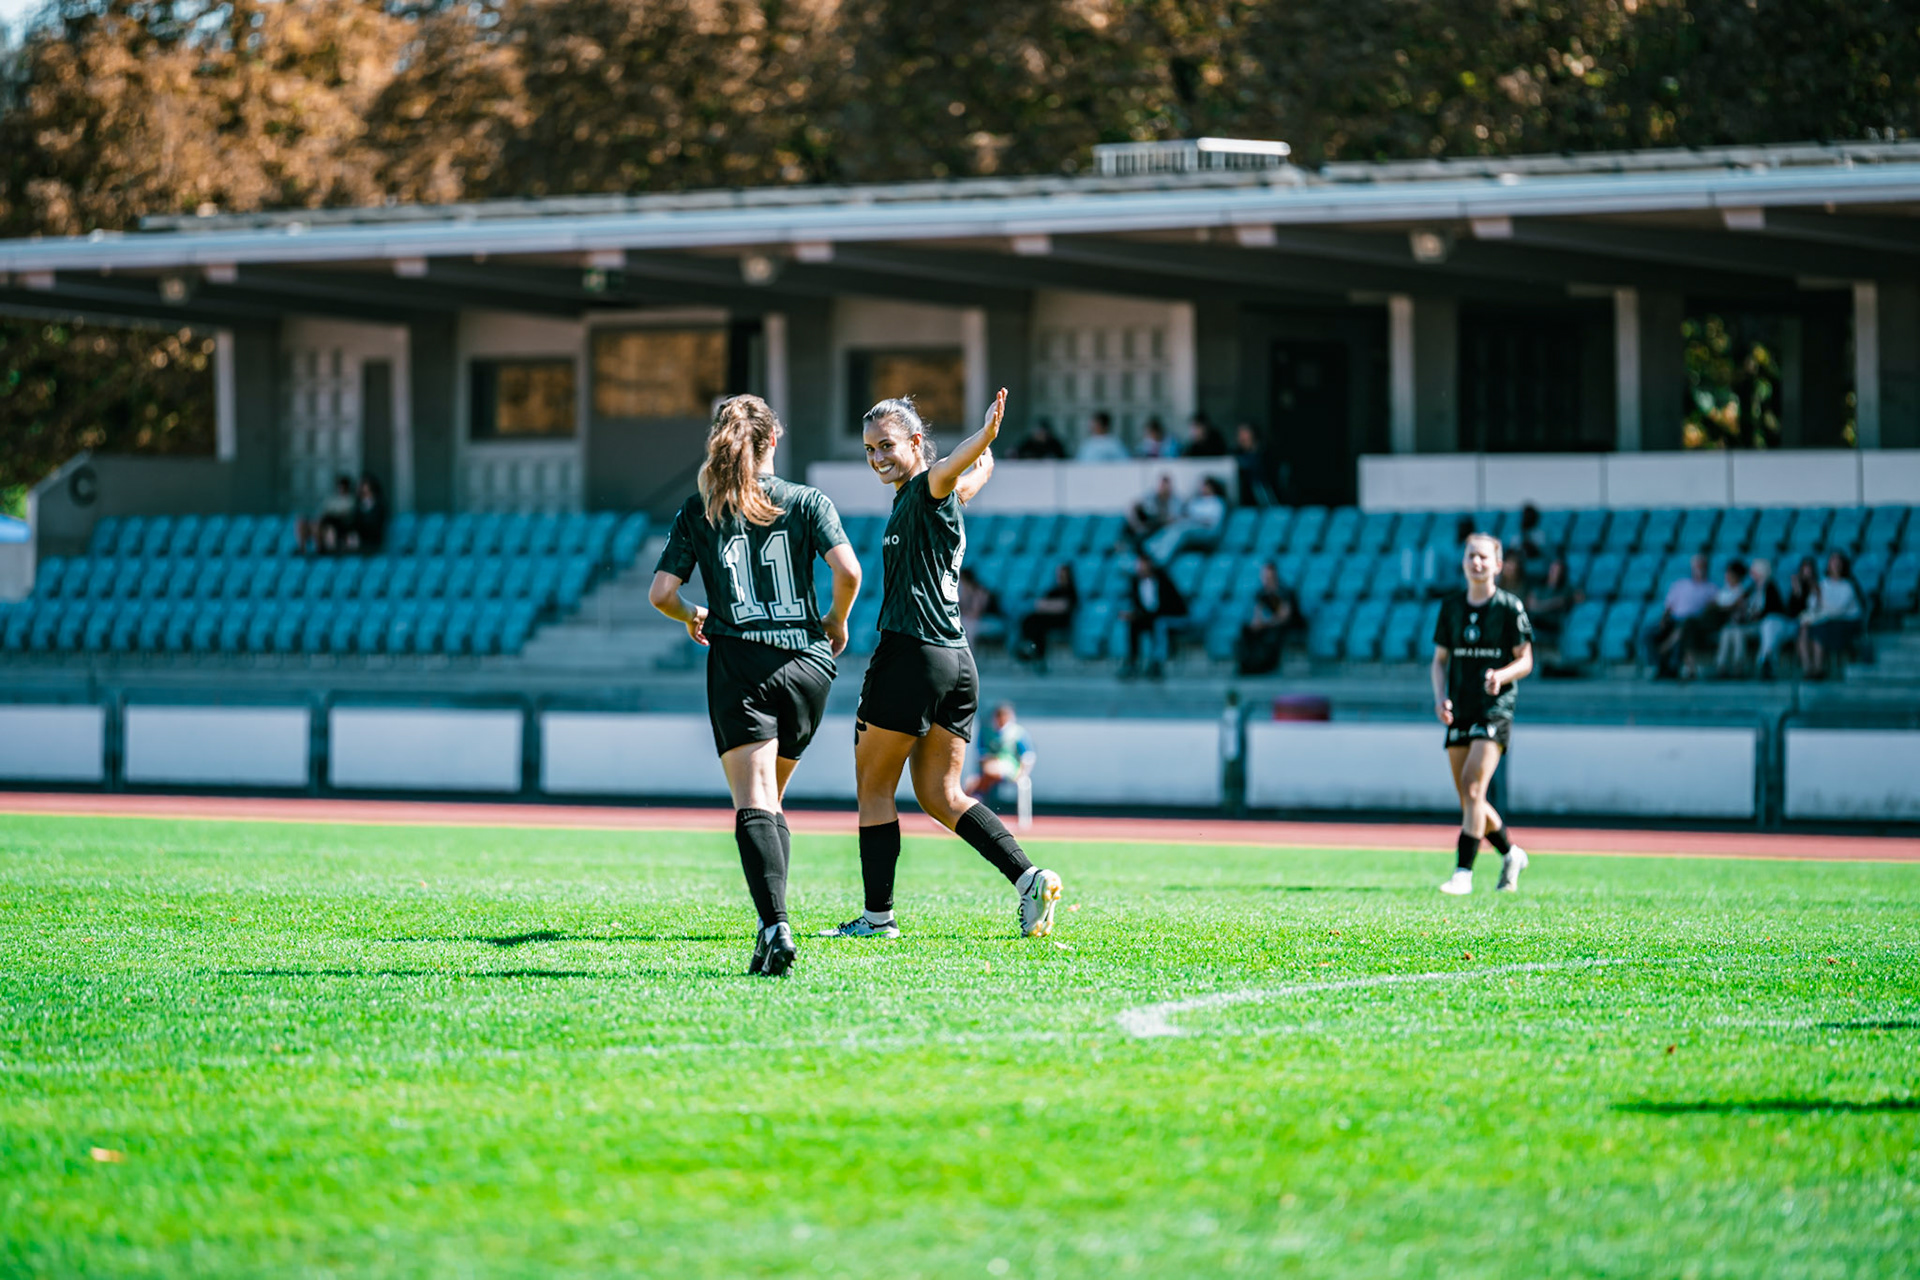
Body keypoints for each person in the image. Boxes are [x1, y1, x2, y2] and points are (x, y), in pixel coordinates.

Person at [823, 389, 1064, 942]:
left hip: (911, 653)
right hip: (957, 661)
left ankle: (877, 919)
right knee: (940, 795)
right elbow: (971, 476)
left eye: (886, 445)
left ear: (915, 442)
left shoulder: (929, 484)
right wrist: (987, 459)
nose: (876, 457)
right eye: (867, 449)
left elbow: (955, 465)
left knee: (874, 786)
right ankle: (1028, 877)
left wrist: (985, 437)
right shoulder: (939, 496)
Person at [648, 395, 863, 977]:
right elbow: (849, 572)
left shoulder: (702, 508)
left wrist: (692, 614)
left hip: (742, 661)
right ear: (775, 439)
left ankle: (775, 927)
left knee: (754, 799)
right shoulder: (808, 500)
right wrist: (837, 622)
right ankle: (775, 923)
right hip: (809, 665)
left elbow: (662, 594)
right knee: (772, 799)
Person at [1433, 532, 1534, 895]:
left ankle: (1463, 872)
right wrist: (1440, 698)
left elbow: (1526, 660)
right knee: (1469, 798)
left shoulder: (1509, 608)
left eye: (1484, 557)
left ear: (1497, 564)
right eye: (1471, 556)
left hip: (1494, 709)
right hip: (1460, 707)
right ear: (1463, 562)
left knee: (1475, 787)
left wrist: (1501, 675)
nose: (1477, 562)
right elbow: (1439, 661)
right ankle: (1511, 853)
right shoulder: (1451, 608)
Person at [1638, 553, 1717, 678]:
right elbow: (1669, 606)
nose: (1699, 570)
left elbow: (1711, 611)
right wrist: (1664, 619)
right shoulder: (1680, 585)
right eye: (1697, 566)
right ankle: (1656, 665)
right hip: (1673, 620)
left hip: (1693, 623)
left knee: (1684, 631)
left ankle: (1673, 666)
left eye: (1702, 566)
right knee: (1647, 633)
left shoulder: (1711, 589)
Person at [1798, 550, 1866, 679]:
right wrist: (1816, 599)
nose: (1834, 565)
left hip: (1846, 622)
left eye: (1837, 562)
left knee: (1820, 630)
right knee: (1804, 629)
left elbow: (1837, 610)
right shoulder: (1823, 584)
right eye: (1832, 561)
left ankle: (1819, 667)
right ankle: (1808, 668)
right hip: (1826, 620)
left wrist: (1820, 599)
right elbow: (1813, 605)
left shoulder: (1848, 586)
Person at [1122, 553, 1189, 679]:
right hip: (1150, 616)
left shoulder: (1163, 580)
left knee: (1159, 623)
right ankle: (1132, 662)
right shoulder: (1135, 583)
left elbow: (1170, 605)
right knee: (1133, 624)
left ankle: (1157, 663)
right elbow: (1139, 605)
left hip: (1170, 616)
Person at [1234, 561, 1301, 676]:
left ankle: (1268, 665)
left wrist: (1266, 624)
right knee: (1247, 631)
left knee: (1274, 633)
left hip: (1288, 624)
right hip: (1271, 624)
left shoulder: (1284, 592)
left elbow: (1284, 616)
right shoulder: (1262, 592)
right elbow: (1258, 612)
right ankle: (1247, 664)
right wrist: (1256, 624)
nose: (1267, 579)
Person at [1718, 557, 1782, 677]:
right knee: (1728, 630)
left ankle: (1739, 666)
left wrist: (1753, 616)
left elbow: (1768, 610)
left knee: (1738, 631)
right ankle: (1721, 665)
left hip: (1763, 625)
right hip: (1751, 623)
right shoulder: (1752, 588)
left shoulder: (1769, 587)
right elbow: (1747, 609)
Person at [1145, 476, 1229, 564]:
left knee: (1181, 531)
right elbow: (1185, 512)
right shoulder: (1197, 501)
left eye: (1205, 486)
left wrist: (1195, 520)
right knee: (1171, 527)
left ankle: (1161, 558)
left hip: (1206, 530)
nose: (1203, 488)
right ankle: (1150, 548)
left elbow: (1213, 522)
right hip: (1189, 524)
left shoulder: (1218, 502)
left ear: (1212, 487)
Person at [964, 702, 1036, 806]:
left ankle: (972, 794)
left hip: (1011, 768)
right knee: (986, 772)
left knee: (975, 781)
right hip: (988, 767)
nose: (1002, 719)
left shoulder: (1017, 733)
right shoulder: (987, 731)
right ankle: (974, 794)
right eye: (999, 716)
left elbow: (1028, 756)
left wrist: (1023, 773)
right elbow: (980, 754)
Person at [1760, 557, 1819, 678]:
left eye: (1809, 569)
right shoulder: (1795, 586)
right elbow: (1792, 610)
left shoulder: (1820, 585)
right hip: (1793, 622)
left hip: (1810, 622)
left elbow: (1812, 607)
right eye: (1804, 569)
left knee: (1776, 629)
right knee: (1770, 624)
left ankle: (1768, 660)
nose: (1807, 572)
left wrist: (1805, 589)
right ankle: (1767, 659)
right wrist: (1797, 591)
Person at [1016, 563, 1078, 668]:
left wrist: (1049, 606)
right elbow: (1039, 604)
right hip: (1046, 619)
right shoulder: (1054, 590)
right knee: (1030, 620)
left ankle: (1035, 652)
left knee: (1038, 625)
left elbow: (1064, 606)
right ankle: (1028, 646)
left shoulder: (1071, 591)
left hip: (1061, 621)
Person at [1523, 554, 1577, 669]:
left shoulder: (1565, 589)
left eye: (1558, 570)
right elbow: (1531, 605)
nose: (1554, 573)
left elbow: (1561, 602)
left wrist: (1540, 606)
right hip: (1535, 621)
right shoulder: (1540, 587)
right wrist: (1547, 605)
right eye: (1553, 569)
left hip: (1552, 624)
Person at [297, 474, 357, 555]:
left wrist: (331, 514)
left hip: (337, 524)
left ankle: (319, 549)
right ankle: (302, 549)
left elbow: (344, 515)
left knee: (319, 525)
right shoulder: (332, 500)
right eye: (340, 486)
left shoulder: (351, 500)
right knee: (301, 522)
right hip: (324, 520)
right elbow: (322, 511)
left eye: (343, 486)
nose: (341, 489)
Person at [1230, 423, 1277, 507]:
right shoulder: (1237, 455)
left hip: (1265, 493)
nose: (1241, 438)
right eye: (1239, 435)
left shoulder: (1265, 454)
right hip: (1245, 501)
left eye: (1244, 435)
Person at [956, 565, 1005, 646]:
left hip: (990, 620)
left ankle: (969, 652)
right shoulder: (964, 591)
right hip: (973, 620)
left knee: (969, 626)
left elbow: (976, 614)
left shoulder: (981, 591)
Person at [350, 472, 388, 553]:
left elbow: (376, 526)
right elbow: (353, 524)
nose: (361, 488)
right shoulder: (357, 506)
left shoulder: (379, 506)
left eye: (363, 484)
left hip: (373, 542)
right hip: (358, 541)